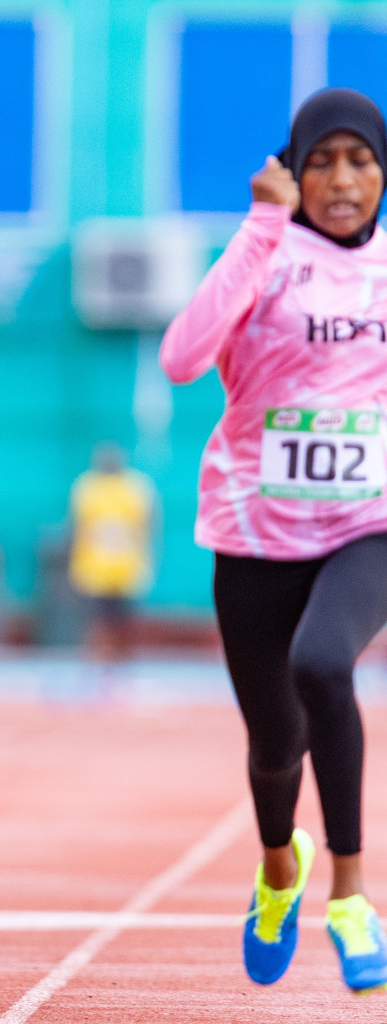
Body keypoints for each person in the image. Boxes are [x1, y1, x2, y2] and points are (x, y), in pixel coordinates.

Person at [161, 88, 387, 994]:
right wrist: (261, 224)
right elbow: (182, 358)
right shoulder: (264, 249)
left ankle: (350, 892)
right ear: (296, 169)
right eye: (322, 160)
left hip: (367, 522)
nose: (343, 179)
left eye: (361, 160)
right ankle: (277, 866)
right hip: (254, 527)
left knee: (325, 665)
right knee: (271, 745)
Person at [67, 441, 156, 661]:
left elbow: (147, 527)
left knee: (125, 622)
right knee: (97, 621)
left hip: (126, 569)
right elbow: (78, 527)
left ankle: (123, 661)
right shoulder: (87, 487)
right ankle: (97, 661)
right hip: (95, 569)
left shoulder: (135, 488)